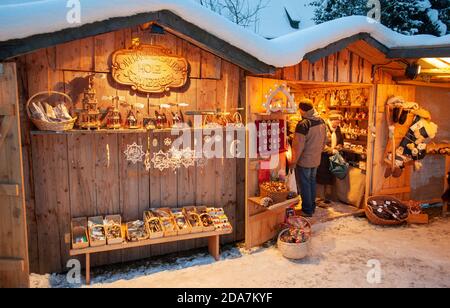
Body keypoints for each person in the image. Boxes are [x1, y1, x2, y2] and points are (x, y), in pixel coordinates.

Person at [289, 99, 327, 217]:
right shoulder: (321, 120)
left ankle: (307, 210)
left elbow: (297, 146)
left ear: (302, 110)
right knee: (311, 182)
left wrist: (293, 161)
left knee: (305, 183)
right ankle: (312, 206)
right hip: (316, 158)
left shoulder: (303, 124)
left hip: (305, 160)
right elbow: (325, 140)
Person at [317, 110, 344, 206]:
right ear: (331, 120)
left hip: (332, 158)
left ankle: (328, 198)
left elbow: (341, 141)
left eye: (339, 122)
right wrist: (331, 150)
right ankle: (319, 199)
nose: (338, 123)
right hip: (322, 157)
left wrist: (339, 146)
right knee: (321, 177)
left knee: (330, 177)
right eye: (336, 121)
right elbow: (319, 144)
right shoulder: (323, 128)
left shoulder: (338, 129)